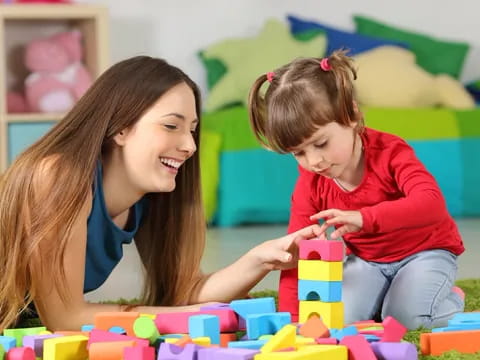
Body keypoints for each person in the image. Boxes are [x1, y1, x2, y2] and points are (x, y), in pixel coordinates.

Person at [0, 56, 324, 331]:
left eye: (193, 130)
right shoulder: (57, 176)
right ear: (120, 128)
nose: (190, 146)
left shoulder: (149, 199)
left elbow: (184, 290)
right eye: (172, 126)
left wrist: (261, 260)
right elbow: (65, 319)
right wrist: (184, 319)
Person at [248, 50, 465, 329]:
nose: (313, 162)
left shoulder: (390, 152)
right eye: (298, 153)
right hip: (367, 262)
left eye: (321, 143)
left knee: (404, 319)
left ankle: (449, 300)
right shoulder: (310, 180)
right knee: (336, 320)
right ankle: (389, 298)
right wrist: (293, 320)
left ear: (350, 114)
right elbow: (296, 253)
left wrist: (365, 218)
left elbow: (431, 204)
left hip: (425, 252)